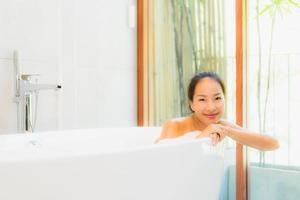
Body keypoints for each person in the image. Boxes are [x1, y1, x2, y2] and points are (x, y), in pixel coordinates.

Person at [155, 71, 279, 151]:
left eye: (217, 98)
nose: (211, 107)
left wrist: (226, 130)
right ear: (191, 104)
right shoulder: (175, 125)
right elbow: (161, 160)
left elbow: (273, 144)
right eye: (202, 99)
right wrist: (203, 136)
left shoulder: (221, 125)